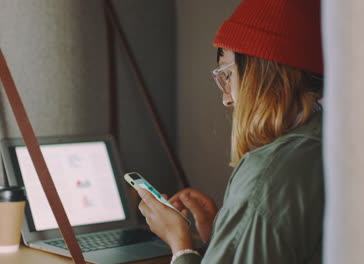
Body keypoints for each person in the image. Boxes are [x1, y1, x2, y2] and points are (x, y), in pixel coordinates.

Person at [136, 0, 324, 263]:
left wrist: (180, 245)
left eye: (227, 74)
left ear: (263, 74)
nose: (227, 99)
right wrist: (226, 233)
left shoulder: (269, 173)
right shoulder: (329, 147)